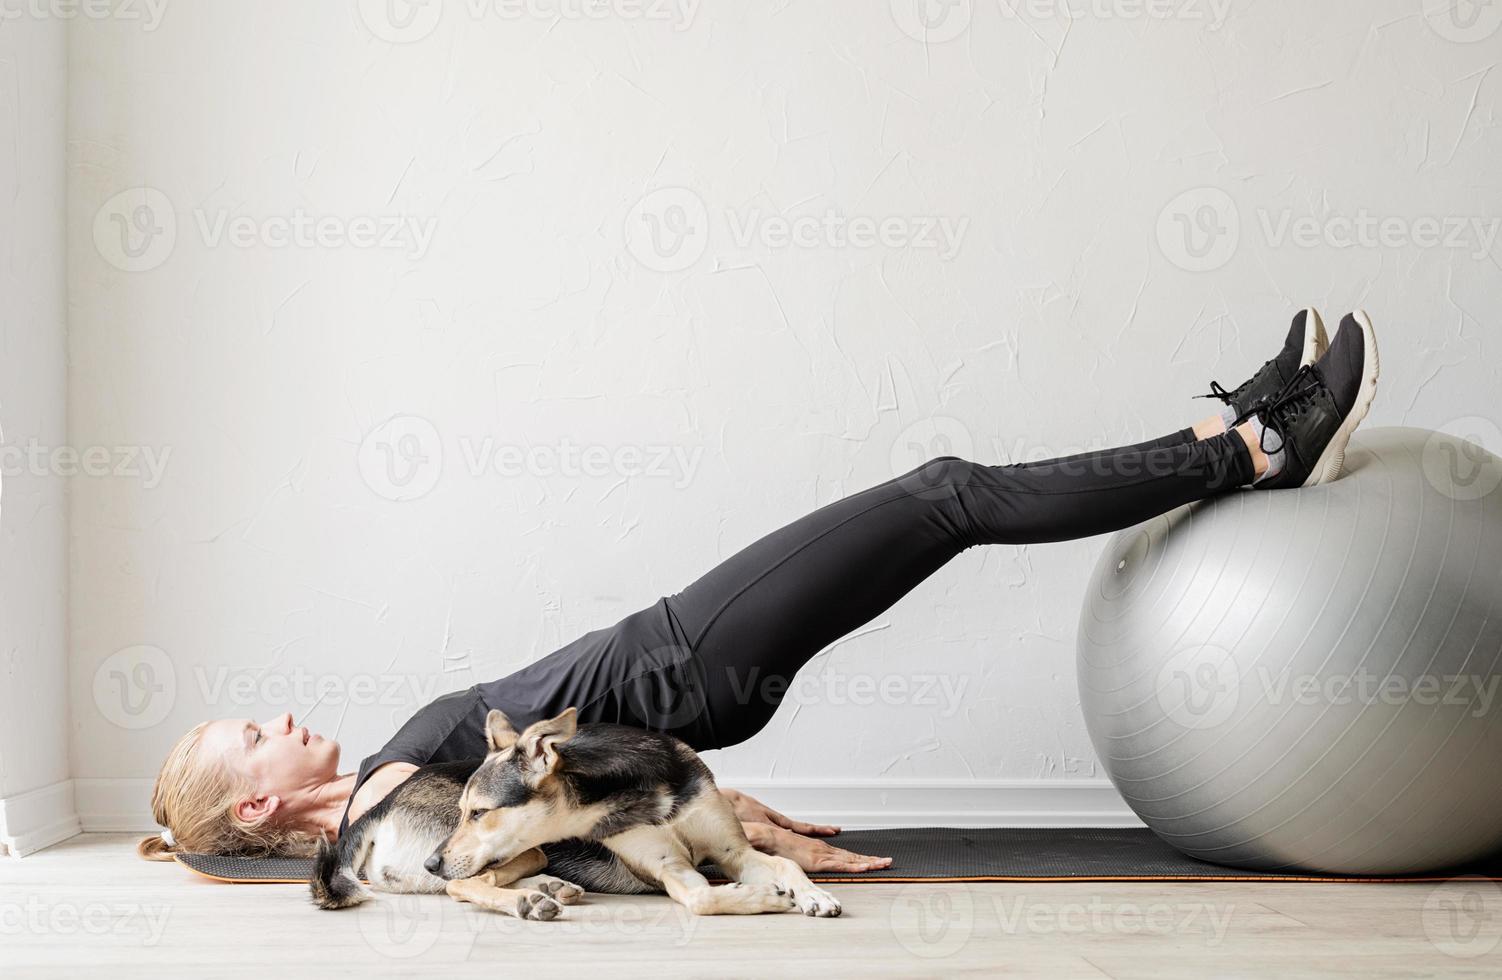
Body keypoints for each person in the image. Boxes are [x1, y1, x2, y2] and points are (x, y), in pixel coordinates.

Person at [138, 309, 1379, 875]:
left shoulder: (383, 792)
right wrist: (718, 818)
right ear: (256, 794)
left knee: (944, 507)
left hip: (688, 660)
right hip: (685, 656)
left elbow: (562, 795)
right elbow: (548, 814)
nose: (283, 718)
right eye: (257, 732)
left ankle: (1221, 432)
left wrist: (714, 797)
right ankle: (1250, 450)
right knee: (945, 492)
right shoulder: (388, 800)